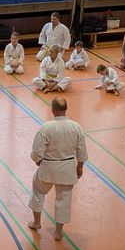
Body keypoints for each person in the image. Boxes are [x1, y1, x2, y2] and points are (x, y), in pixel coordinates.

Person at [28, 97, 87, 241]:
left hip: (48, 167)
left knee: (38, 191)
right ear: (66, 109)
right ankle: (58, 232)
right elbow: (82, 150)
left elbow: (36, 152)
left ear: (52, 109)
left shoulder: (46, 127)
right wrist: (79, 167)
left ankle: (36, 222)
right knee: (64, 198)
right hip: (67, 168)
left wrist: (38, 161)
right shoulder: (76, 127)